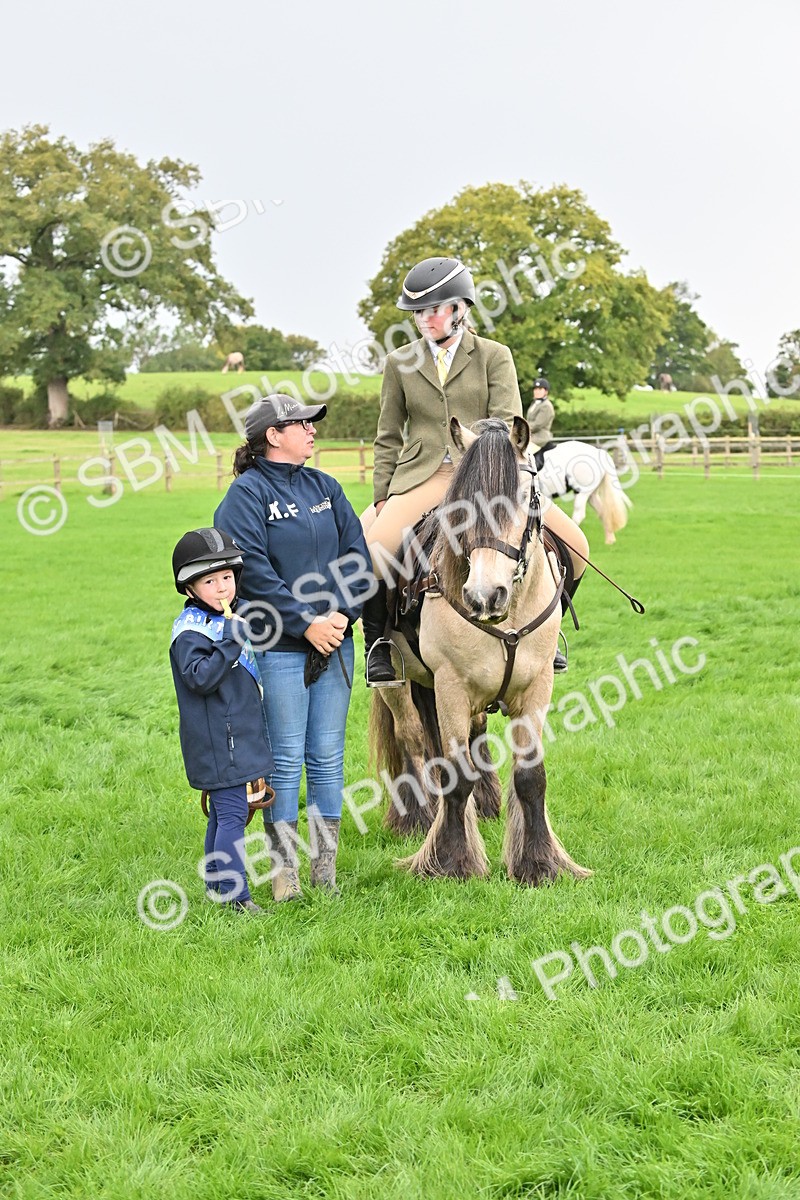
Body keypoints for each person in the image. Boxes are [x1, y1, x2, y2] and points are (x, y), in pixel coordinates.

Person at [363, 257, 589, 681]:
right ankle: (378, 644)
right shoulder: (399, 363)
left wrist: (479, 457)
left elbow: (507, 421)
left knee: (577, 547)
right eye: (418, 312)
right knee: (375, 552)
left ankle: (549, 635)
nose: (425, 319)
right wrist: (382, 494)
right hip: (425, 477)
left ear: (461, 308)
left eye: (434, 309)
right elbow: (388, 435)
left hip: (488, 478)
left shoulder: (494, 356)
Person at [214, 394, 371, 901]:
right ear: (272, 435)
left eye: (310, 422)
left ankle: (324, 872)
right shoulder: (246, 494)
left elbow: (358, 557)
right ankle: (285, 877)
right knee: (285, 758)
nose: (311, 429)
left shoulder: (325, 486)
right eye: (300, 423)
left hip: (338, 640)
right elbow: (252, 570)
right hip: (282, 645)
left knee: (326, 756)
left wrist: (342, 617)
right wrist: (305, 624)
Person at [169, 527, 275, 915]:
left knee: (222, 814)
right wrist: (231, 640)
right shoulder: (191, 632)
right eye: (210, 581)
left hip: (233, 737)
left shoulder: (229, 617)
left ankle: (219, 888)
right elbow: (199, 677)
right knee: (232, 815)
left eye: (227, 578)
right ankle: (238, 896)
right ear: (190, 588)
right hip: (219, 743)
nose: (222, 588)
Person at [526, 376, 557, 458]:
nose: (537, 391)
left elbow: (537, 425)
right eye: (535, 389)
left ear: (546, 391)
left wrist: (522, 429)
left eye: (540, 389)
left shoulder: (546, 406)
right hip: (531, 437)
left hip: (540, 439)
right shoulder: (535, 403)